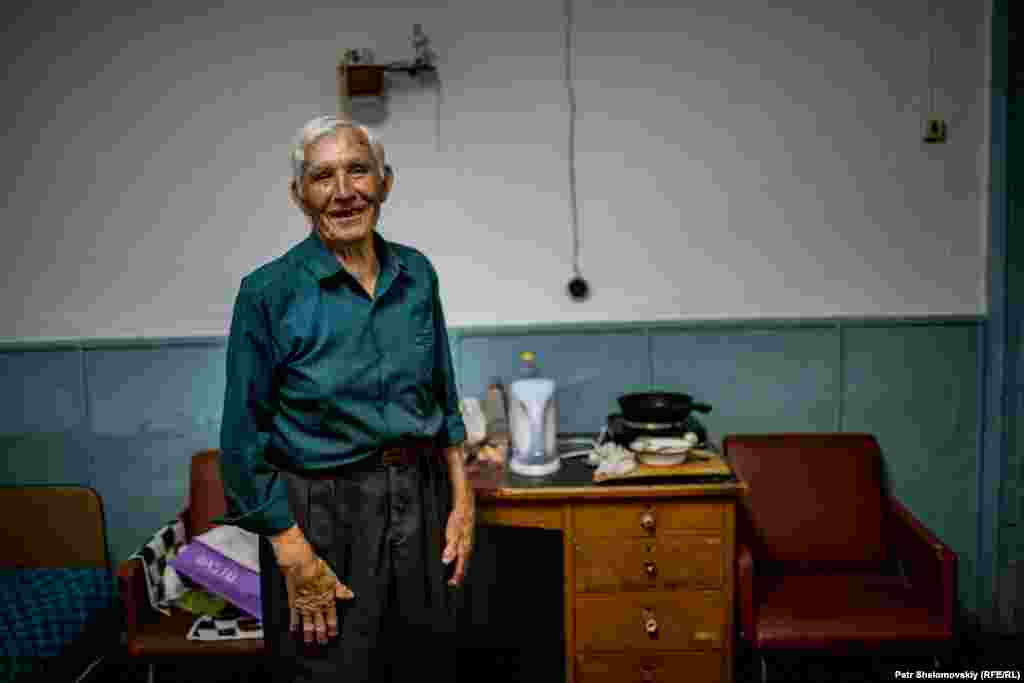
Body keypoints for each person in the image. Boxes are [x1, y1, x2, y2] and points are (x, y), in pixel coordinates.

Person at [214, 115, 474, 682]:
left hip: (419, 497)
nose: (344, 192)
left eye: (358, 170)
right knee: (331, 670)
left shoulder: (417, 274)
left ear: (385, 181)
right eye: (322, 177)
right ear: (299, 195)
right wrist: (290, 550)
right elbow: (241, 439)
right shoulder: (268, 293)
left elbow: (443, 392)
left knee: (424, 664)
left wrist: (461, 501)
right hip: (322, 515)